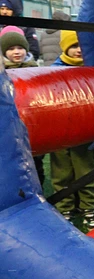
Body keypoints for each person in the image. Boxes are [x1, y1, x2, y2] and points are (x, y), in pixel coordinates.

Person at [50, 31, 94, 228]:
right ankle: (64, 209)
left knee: (85, 171)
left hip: (83, 131)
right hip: (59, 131)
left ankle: (88, 209)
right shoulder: (53, 71)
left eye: (82, 45)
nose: (79, 50)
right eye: (74, 45)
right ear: (65, 46)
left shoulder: (91, 68)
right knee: (61, 174)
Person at [1, 27, 44, 185]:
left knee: (35, 164)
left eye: (20, 48)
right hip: (9, 126)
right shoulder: (3, 72)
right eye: (11, 49)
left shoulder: (34, 69)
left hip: (33, 124)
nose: (17, 52)